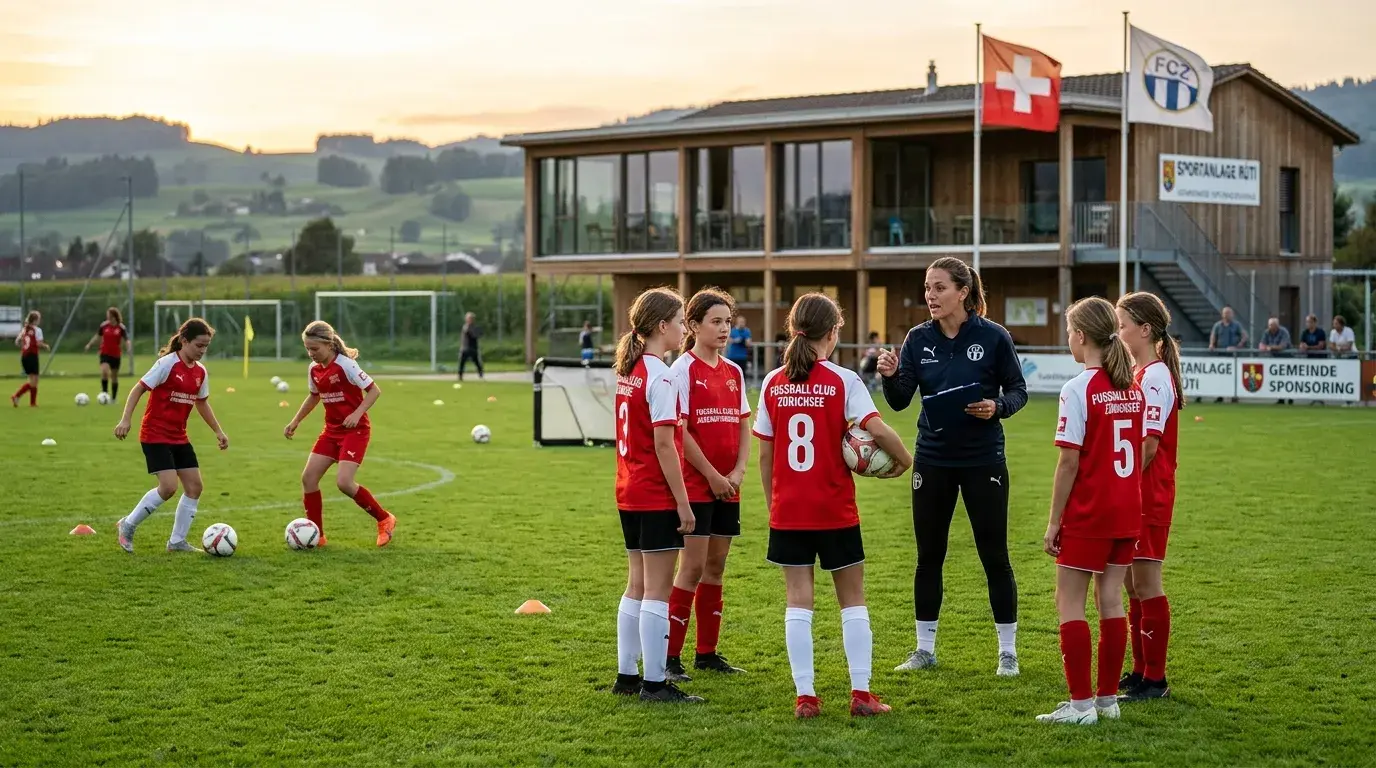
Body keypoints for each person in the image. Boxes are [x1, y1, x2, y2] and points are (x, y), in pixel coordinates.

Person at [754, 293, 912, 719]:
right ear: (834, 332)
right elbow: (878, 430)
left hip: (788, 511)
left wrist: (774, 505)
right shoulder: (843, 380)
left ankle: (806, 697)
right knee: (853, 600)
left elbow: (765, 456)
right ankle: (861, 695)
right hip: (834, 509)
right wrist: (905, 461)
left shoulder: (772, 382)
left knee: (797, 601)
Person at [876, 256, 1028, 676]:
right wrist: (890, 375)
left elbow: (1018, 390)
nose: (931, 295)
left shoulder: (994, 337)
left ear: (963, 292)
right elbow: (901, 399)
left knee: (994, 556)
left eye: (939, 287)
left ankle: (1007, 651)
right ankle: (924, 650)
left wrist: (996, 407)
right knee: (929, 557)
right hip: (933, 459)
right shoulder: (916, 338)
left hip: (983, 460)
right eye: (927, 288)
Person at [1037, 297, 1144, 725]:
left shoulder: (1078, 388)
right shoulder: (1131, 387)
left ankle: (1080, 705)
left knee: (1069, 602)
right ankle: (1107, 701)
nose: (1068, 339)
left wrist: (1053, 522)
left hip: (1090, 511)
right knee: (1111, 599)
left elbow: (1069, 462)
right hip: (1126, 509)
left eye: (1069, 332)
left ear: (1081, 336)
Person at [610, 286, 703, 704]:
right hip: (654, 494)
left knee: (636, 585)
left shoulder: (629, 370)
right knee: (656, 591)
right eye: (682, 321)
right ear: (662, 326)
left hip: (628, 490)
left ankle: (627, 677)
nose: (684, 329)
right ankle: (654, 683)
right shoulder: (661, 374)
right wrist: (683, 502)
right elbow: (666, 445)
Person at [665, 288, 750, 681]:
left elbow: (743, 424)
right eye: (715, 322)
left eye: (727, 322)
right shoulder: (681, 371)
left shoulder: (734, 372)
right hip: (697, 487)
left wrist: (736, 473)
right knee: (692, 568)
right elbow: (679, 434)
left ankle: (707, 653)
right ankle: (670, 657)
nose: (723, 329)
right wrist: (713, 476)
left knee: (716, 567)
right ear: (694, 325)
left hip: (728, 486)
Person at [1116, 292, 1183, 703]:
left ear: (1144, 330)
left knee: (1146, 583)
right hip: (1133, 496)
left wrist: (1117, 481)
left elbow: (1149, 447)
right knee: (1132, 586)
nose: (1118, 332)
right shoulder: (1141, 374)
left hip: (1149, 496)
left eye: (1123, 325)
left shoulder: (1156, 376)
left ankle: (1155, 679)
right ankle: (1141, 671)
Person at [113, 318, 230, 554]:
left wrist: (218, 431)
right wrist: (126, 419)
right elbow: (139, 389)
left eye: (206, 346)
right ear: (184, 341)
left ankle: (177, 542)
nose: (202, 351)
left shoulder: (200, 372)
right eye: (199, 345)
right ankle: (127, 525)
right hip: (155, 435)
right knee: (168, 487)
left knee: (195, 487)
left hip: (179, 437)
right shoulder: (166, 364)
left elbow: (202, 404)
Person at [284, 321, 396, 548]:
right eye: (307, 349)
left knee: (344, 483)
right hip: (331, 431)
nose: (310, 353)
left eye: (314, 349)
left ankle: (384, 519)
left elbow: (374, 390)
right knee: (308, 479)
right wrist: (295, 421)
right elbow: (314, 396)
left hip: (355, 431)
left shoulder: (346, 365)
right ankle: (318, 536)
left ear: (328, 344)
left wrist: (357, 413)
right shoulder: (313, 369)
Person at [84, 307, 131, 403]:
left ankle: (113, 398)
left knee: (114, 376)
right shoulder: (104, 326)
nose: (107, 316)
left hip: (116, 355)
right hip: (104, 353)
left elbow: (127, 340)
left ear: (114, 316)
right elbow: (97, 336)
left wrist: (128, 348)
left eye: (109, 315)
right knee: (105, 372)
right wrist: (89, 344)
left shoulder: (121, 327)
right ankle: (104, 395)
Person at [12, 310, 49, 407]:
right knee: (34, 381)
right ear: (35, 320)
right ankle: (16, 396)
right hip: (32, 356)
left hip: (24, 356)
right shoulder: (37, 330)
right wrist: (45, 346)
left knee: (32, 379)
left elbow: (17, 342)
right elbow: (38, 343)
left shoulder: (25, 329)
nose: (40, 320)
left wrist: (24, 346)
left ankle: (32, 404)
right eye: (39, 319)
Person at [458, 312, 484, 380]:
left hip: (472, 348)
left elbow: (477, 335)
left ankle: (480, 373)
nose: (469, 320)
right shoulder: (465, 327)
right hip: (465, 347)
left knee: (476, 361)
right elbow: (464, 336)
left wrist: (475, 333)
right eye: (468, 318)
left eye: (470, 318)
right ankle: (460, 375)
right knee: (462, 362)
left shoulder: (474, 327)